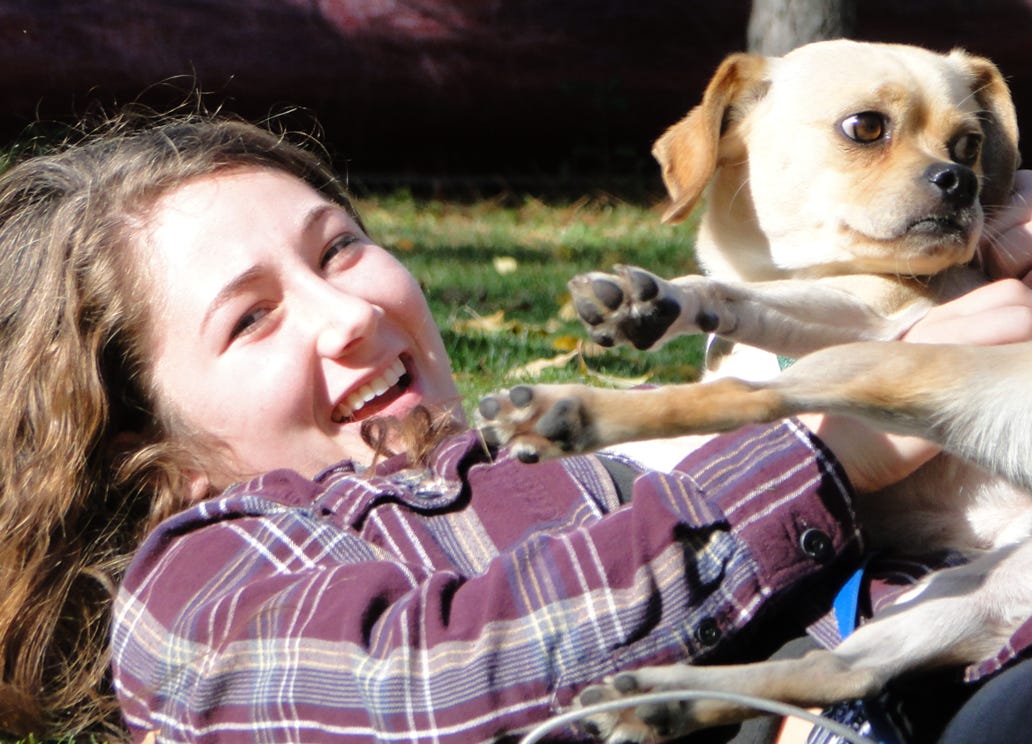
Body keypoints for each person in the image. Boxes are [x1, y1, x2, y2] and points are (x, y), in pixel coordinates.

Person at [0, 112, 1029, 744]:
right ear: (157, 458)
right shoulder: (196, 586)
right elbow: (419, 688)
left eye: (341, 248)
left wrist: (980, 253)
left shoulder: (569, 454)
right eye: (251, 318)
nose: (350, 312)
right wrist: (828, 451)